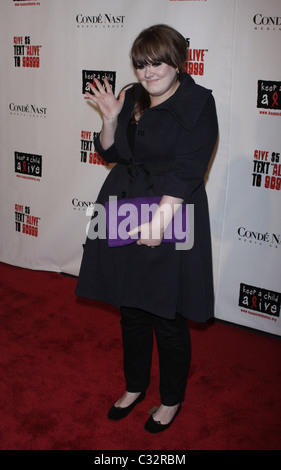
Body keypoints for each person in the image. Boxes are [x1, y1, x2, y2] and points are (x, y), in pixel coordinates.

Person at [75, 24, 218, 433]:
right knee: (131, 306)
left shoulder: (197, 102)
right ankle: (135, 385)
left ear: (177, 60)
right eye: (141, 64)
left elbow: (190, 168)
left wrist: (158, 222)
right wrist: (108, 119)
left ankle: (171, 399)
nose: (148, 72)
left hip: (171, 208)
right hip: (124, 200)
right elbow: (111, 151)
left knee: (166, 311)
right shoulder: (133, 96)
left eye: (157, 63)